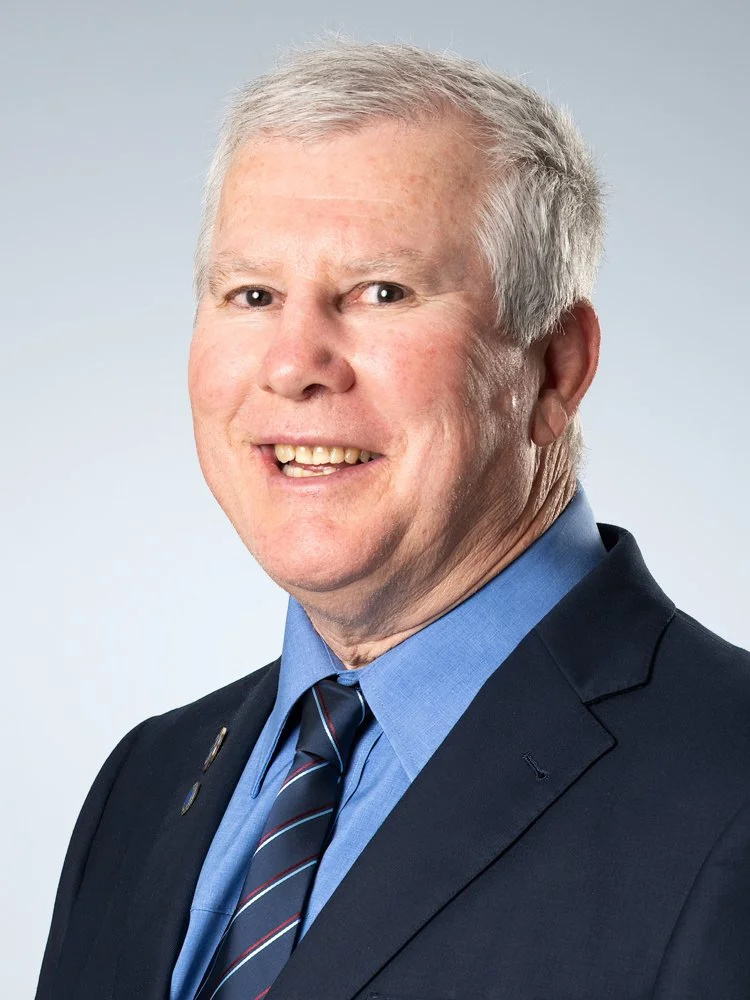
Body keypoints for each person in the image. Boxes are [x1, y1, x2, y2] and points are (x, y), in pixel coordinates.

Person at [36, 40, 750, 1000]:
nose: (295, 364)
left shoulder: (730, 789)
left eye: (382, 292)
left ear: (555, 367)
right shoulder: (147, 781)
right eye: (252, 294)